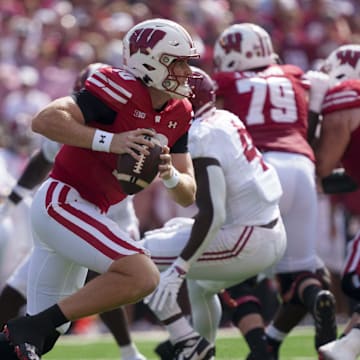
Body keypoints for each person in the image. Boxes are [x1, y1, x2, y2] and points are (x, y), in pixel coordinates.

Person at [0, 18, 199, 360]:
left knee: (42, 339)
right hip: (62, 200)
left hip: (89, 210)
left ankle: (27, 332)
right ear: (148, 61)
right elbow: (44, 120)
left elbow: (188, 192)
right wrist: (112, 141)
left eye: (185, 63)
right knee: (142, 274)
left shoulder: (180, 111)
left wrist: (168, 175)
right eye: (176, 61)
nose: (185, 71)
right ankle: (30, 327)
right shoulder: (118, 87)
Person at [0, 63, 148, 360]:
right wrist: (13, 201)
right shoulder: (70, 131)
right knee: (18, 293)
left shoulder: (129, 132)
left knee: (110, 282)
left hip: (111, 222)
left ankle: (130, 349)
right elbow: (43, 157)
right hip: (69, 218)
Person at [141, 66, 287, 360]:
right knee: (200, 282)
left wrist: (178, 269)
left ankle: (187, 343)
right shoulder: (225, 119)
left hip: (248, 237)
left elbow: (214, 213)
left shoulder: (202, 134)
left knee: (137, 257)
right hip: (266, 229)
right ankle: (201, 351)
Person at [212, 22, 337, 359]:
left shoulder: (225, 82)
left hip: (258, 168)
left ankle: (258, 347)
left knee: (234, 272)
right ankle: (315, 298)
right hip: (301, 165)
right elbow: (310, 126)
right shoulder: (295, 74)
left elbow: (212, 127)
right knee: (300, 270)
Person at [314, 44, 360, 360]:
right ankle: (347, 344)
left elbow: (322, 166)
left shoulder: (345, 94)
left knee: (355, 279)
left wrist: (314, 112)